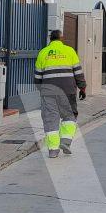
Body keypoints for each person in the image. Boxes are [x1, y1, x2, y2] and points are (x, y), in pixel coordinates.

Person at [34, 30, 86, 159]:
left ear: (50, 39)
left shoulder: (43, 53)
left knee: (50, 118)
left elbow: (38, 76)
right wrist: (82, 88)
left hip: (48, 91)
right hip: (67, 90)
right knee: (69, 116)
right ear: (61, 39)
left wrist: (42, 90)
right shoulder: (70, 51)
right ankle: (65, 142)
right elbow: (78, 72)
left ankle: (53, 150)